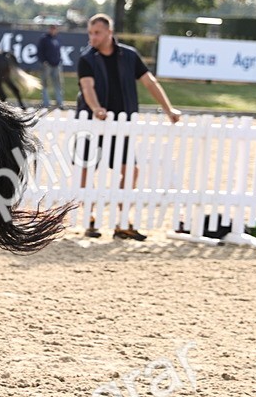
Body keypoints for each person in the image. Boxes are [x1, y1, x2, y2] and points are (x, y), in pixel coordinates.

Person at [76, 14, 180, 240]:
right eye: (90, 33)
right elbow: (87, 87)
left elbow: (150, 82)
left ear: (109, 32)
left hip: (122, 125)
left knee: (130, 171)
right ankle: (90, 219)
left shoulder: (130, 56)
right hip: (92, 124)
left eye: (97, 33)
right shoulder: (86, 59)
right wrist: (96, 108)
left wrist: (168, 109)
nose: (92, 37)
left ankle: (121, 220)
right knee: (86, 169)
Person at [36, 24, 65, 109]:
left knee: (58, 84)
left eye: (54, 29)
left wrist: (59, 60)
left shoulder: (56, 39)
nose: (53, 30)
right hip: (47, 65)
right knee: (45, 83)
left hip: (56, 64)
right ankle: (46, 103)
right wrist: (43, 61)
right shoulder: (44, 39)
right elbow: (39, 51)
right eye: (51, 28)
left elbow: (58, 51)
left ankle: (60, 103)